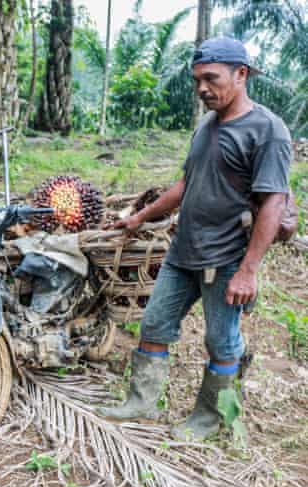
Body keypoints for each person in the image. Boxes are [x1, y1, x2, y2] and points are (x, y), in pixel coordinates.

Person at [96, 37, 292, 441]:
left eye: (211, 78)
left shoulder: (268, 131)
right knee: (154, 325)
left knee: (221, 340)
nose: (202, 88)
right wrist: (140, 218)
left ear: (241, 75)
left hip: (227, 258)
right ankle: (141, 401)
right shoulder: (207, 125)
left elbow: (273, 202)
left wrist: (248, 271)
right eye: (197, 80)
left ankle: (209, 419)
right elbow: (185, 185)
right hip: (184, 250)